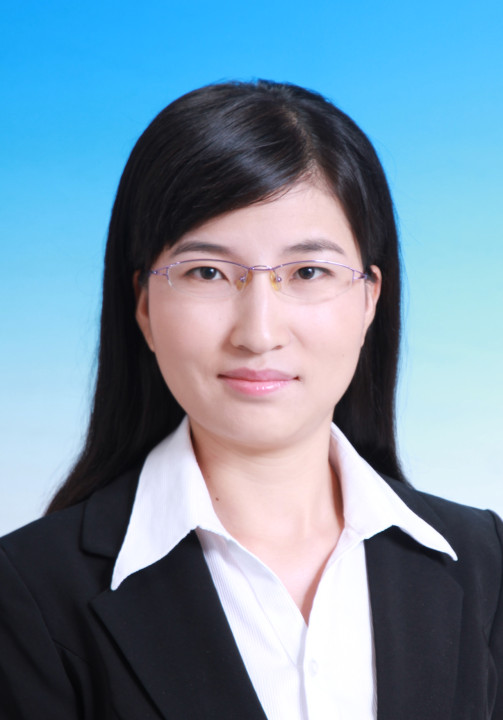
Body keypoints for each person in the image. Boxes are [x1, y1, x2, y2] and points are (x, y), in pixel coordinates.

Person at [0, 80, 501, 720]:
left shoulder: (485, 561)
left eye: (308, 272)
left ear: (370, 299)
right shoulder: (29, 590)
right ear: (144, 306)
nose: (258, 333)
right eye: (207, 272)